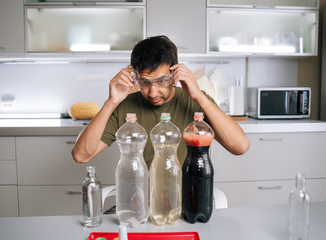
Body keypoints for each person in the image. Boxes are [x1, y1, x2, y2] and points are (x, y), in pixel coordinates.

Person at [72, 35, 250, 167]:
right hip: (140, 203)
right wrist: (111, 102)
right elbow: (81, 156)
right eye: (145, 82)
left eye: (161, 81)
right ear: (134, 76)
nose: (153, 92)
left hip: (188, 203)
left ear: (175, 74)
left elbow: (240, 147)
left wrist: (200, 97)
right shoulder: (124, 106)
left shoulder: (196, 101)